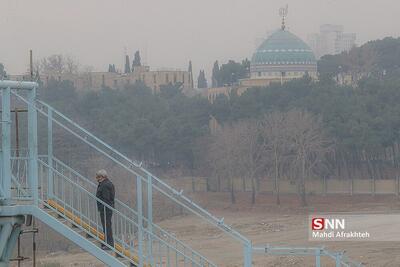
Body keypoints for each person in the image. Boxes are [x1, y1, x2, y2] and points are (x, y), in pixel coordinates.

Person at [96, 169, 115, 250]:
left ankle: (109, 244)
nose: (97, 179)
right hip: (106, 208)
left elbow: (106, 198)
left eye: (98, 177)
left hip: (106, 209)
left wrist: (102, 207)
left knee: (107, 226)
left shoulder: (105, 185)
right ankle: (106, 242)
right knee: (106, 226)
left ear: (102, 177)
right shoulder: (106, 184)